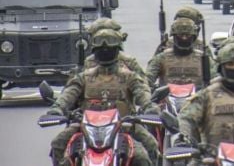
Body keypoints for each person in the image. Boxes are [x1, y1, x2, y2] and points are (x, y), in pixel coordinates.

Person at [46, 29, 159, 166]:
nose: (105, 51)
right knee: (57, 144)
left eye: (109, 48)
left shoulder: (130, 77)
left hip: (125, 127)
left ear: (117, 50)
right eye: (101, 49)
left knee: (148, 150)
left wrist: (150, 107)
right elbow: (69, 94)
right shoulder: (84, 77)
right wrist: (58, 108)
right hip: (85, 128)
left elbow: (142, 93)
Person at [146, 18, 210, 89]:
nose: (184, 38)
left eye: (187, 35)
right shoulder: (161, 58)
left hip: (198, 95)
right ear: (174, 36)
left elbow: (215, 80)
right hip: (167, 95)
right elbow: (147, 80)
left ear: (193, 37)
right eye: (180, 35)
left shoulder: (203, 59)